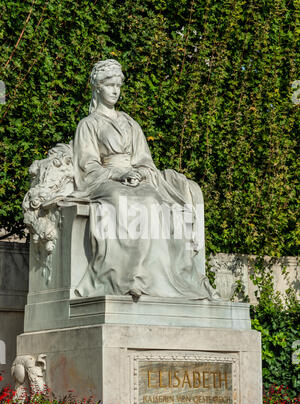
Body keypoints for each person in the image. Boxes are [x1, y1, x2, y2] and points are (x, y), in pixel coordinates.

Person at [72, 59, 219, 300]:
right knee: (120, 198)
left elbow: (144, 159)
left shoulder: (130, 122)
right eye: (110, 85)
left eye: (118, 85)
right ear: (97, 87)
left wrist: (138, 173)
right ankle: (126, 277)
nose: (115, 90)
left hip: (136, 179)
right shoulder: (88, 125)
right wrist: (118, 174)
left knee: (154, 200)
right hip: (104, 180)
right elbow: (87, 164)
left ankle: (156, 278)